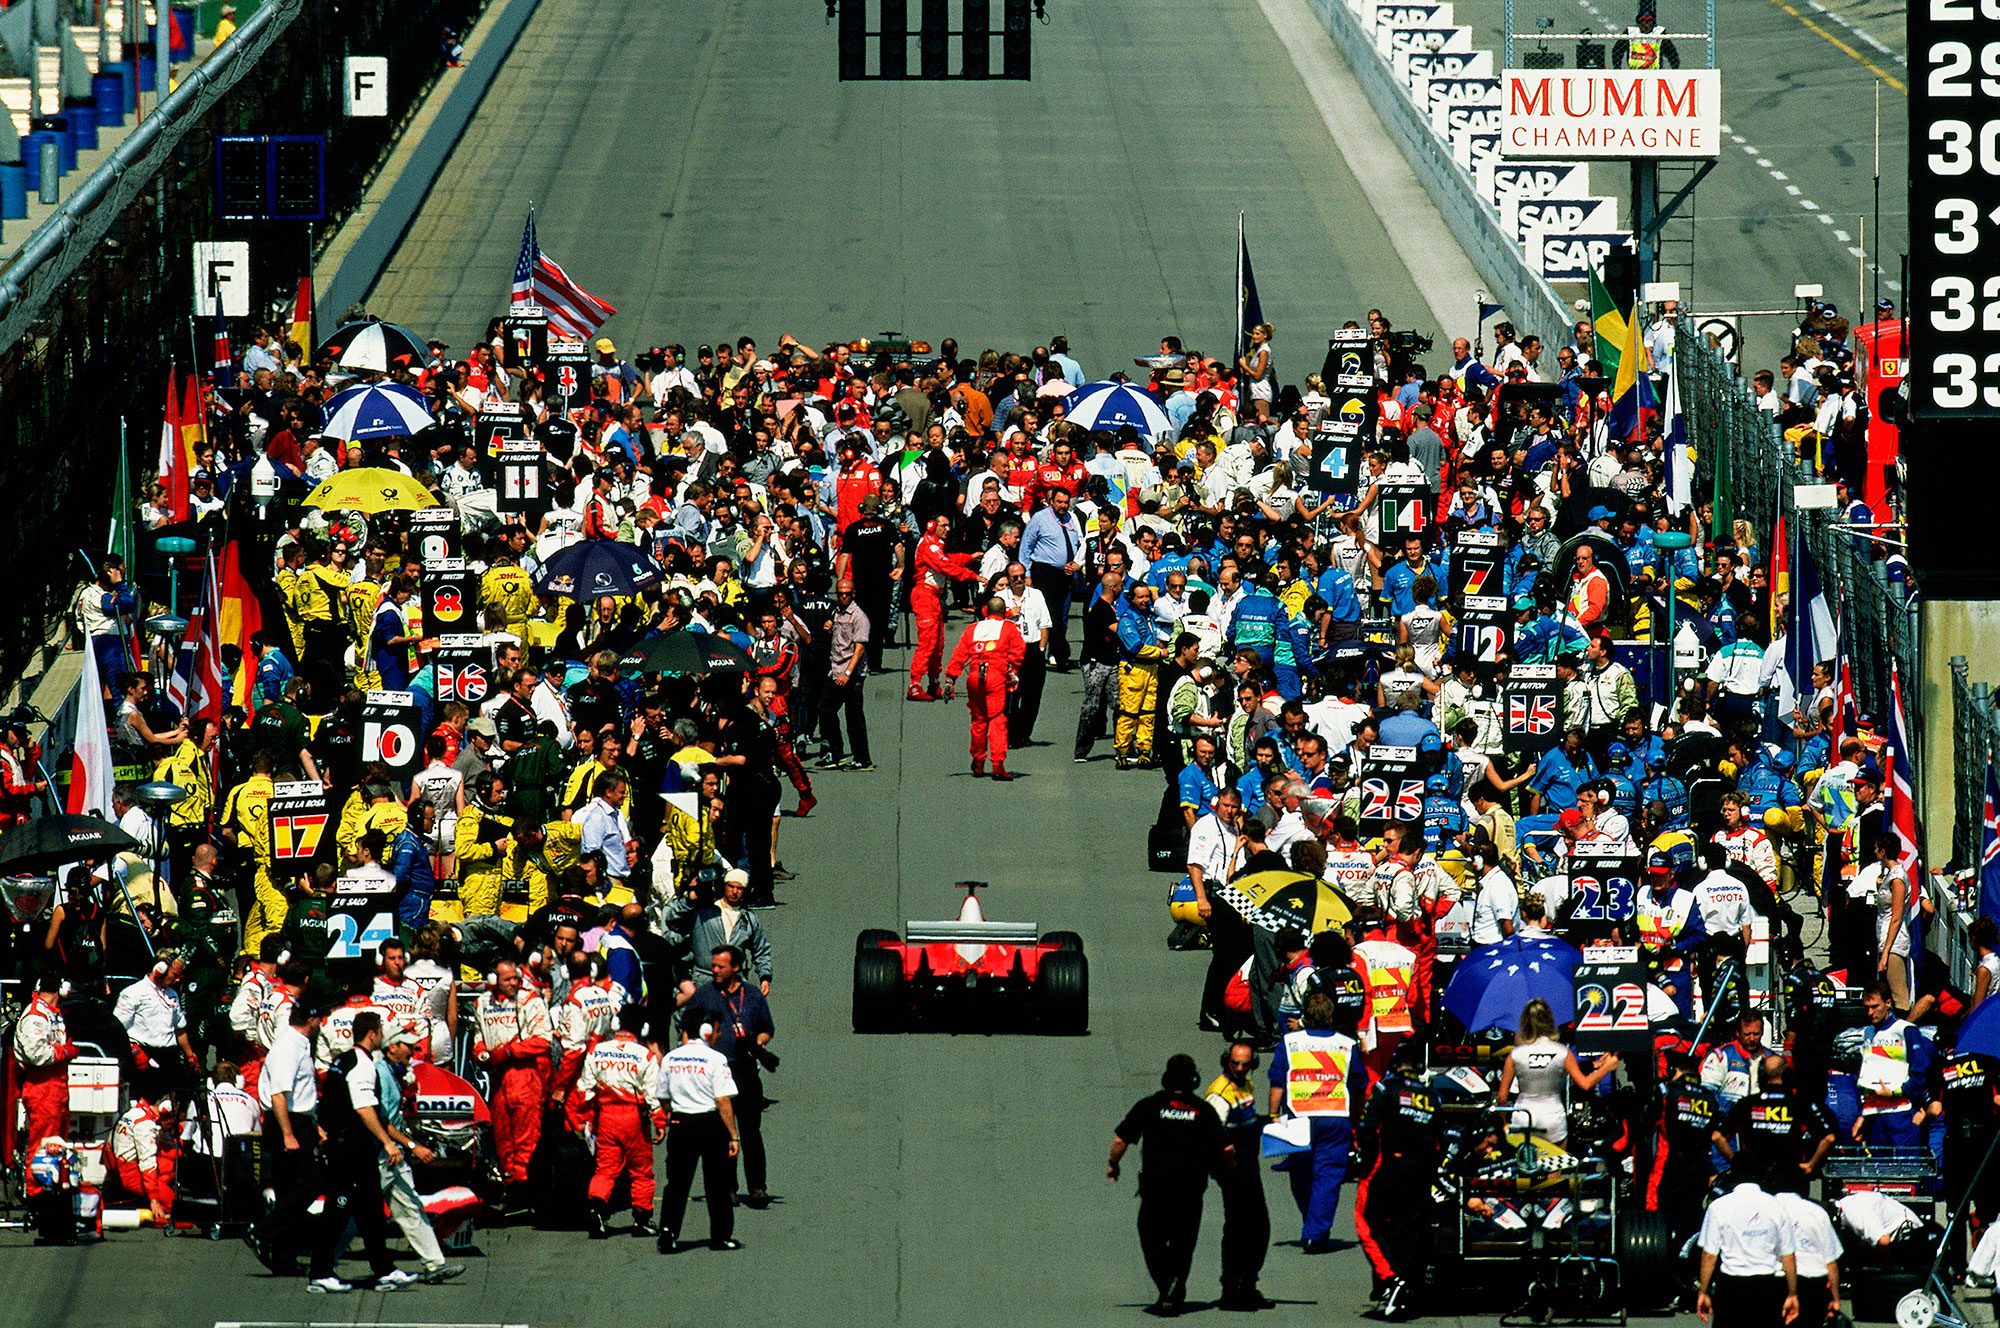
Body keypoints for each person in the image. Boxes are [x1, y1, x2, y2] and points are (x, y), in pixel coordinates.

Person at [1110, 1053, 1232, 1318]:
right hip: (1190, 1189)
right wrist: (1228, 1169)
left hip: (1156, 1188)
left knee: (1150, 1237)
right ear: (1194, 1080)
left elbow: (1121, 1140)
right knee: (1183, 1241)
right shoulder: (1204, 1110)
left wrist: (1113, 1164)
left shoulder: (1150, 1105)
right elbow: (1226, 1148)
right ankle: (1174, 1286)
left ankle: (1166, 1284)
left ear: (1166, 1078)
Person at [310, 1012, 416, 1292]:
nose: (382, 1036)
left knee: (371, 1210)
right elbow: (363, 1107)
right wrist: (388, 1142)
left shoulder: (341, 1061)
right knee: (338, 1207)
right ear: (372, 1034)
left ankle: (384, 1270)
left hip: (350, 1145)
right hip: (349, 1148)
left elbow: (331, 1101)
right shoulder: (362, 1064)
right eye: (380, 1031)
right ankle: (320, 1272)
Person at [1267, 991, 1367, 1254]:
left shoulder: (1290, 1042)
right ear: (1331, 1018)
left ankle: (1312, 1225)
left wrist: (1273, 1115)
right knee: (1328, 1176)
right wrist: (1355, 1117)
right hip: (1335, 1116)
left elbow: (1277, 1082)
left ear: (1305, 1018)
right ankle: (1316, 1230)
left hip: (1298, 1115)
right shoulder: (1348, 1044)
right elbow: (1358, 1087)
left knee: (1300, 1174)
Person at [364, 1027, 464, 1283]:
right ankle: (323, 1265)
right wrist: (411, 1146)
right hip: (379, 1154)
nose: (413, 1049)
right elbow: (381, 1120)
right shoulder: (381, 1075)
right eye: (407, 1045)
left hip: (391, 1155)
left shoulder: (392, 1073)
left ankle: (434, 1265)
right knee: (354, 1213)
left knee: (410, 1207)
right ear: (391, 1047)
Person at [1354, 1037, 1443, 1318]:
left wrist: (1364, 1162)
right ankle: (1406, 1287)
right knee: (1407, 1231)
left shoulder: (1384, 1088)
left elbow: (1367, 1129)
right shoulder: (1433, 1097)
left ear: (1396, 1065)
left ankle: (1393, 1280)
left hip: (1388, 1170)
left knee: (1369, 1225)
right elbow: (1439, 1142)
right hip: (1421, 1173)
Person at [681, 945, 776, 1208]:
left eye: (721, 967)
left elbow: (767, 1028)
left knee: (751, 1132)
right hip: (716, 1072)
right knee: (723, 1132)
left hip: (744, 1071)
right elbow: (687, 1029)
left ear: (736, 967)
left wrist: (760, 1041)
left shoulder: (753, 996)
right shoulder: (704, 995)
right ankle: (728, 1188)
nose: (715, 971)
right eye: (713, 966)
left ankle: (757, 1187)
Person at [653, 1018, 742, 1253]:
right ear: (706, 1032)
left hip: (681, 1122)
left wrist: (673, 1111)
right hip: (710, 1123)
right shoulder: (716, 1059)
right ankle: (721, 1236)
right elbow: (722, 1099)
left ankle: (668, 1231)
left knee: (677, 1182)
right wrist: (733, 1135)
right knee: (717, 1183)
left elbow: (662, 1095)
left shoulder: (671, 1058)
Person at [247, 1000, 322, 1275]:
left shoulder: (299, 1044)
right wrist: (289, 1134)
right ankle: (262, 1230)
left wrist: (314, 1126)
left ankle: (283, 1257)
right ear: (312, 1020)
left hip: (299, 1120)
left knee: (288, 1190)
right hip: (286, 1124)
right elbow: (279, 1093)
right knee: (310, 1184)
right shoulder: (288, 1047)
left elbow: (301, 1093)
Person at [472, 959, 553, 1204]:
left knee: (526, 1136)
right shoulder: (482, 1003)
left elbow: (543, 1040)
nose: (512, 984)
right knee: (502, 1135)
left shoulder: (530, 1000)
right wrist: (480, 1052)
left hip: (524, 1074)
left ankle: (525, 1187)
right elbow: (477, 1035)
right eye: (506, 980)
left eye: (515, 979)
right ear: (495, 980)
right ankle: (509, 1185)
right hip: (497, 1077)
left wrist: (509, 1051)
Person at [578, 1005, 660, 1239]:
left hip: (606, 1118)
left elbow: (585, 1089)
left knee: (605, 1169)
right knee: (641, 1171)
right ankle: (642, 1220)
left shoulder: (598, 1051)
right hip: (634, 1119)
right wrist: (660, 1122)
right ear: (642, 1029)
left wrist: (587, 1119)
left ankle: (597, 1211)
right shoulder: (645, 1055)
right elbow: (653, 1094)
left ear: (616, 1024)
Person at [1201, 1041, 1272, 1312]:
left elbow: (1248, 1121)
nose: (1240, 1068)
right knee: (1239, 1228)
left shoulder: (1245, 1084)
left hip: (1248, 1166)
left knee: (1258, 1227)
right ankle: (1232, 1289)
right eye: (1235, 1063)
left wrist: (1269, 1122)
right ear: (1226, 1062)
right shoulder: (1219, 1094)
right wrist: (1226, 1169)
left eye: (1245, 1064)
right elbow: (1211, 1134)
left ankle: (1248, 1283)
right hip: (1233, 1170)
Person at [1496, 997, 1619, 1145]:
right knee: (1555, 1166)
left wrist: (1503, 1122)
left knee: (1526, 1166)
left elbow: (1502, 1097)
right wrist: (1606, 1067)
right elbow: (1585, 1084)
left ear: (1524, 1022)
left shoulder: (1515, 1054)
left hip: (1523, 1117)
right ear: (1549, 1021)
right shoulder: (1562, 1052)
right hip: (1552, 1118)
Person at [1695, 1160, 1801, 1328]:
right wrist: (1792, 1293)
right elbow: (1788, 1255)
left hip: (1732, 1286)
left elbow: (1709, 1256)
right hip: (1767, 1285)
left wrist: (1703, 1291)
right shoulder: (1776, 1206)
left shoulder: (1718, 1207)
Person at [943, 595, 1027, 780]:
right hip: (996, 676)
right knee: (997, 720)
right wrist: (1012, 670)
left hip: (974, 677)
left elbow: (959, 655)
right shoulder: (1009, 627)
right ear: (1003, 611)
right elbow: (1019, 650)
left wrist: (950, 679)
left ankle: (978, 762)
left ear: (986, 611)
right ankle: (997, 764)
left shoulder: (973, 628)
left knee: (978, 720)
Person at [12, 974, 77, 1195]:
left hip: (57, 1087)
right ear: (61, 988)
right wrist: (65, 1051)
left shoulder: (51, 1014)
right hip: (42, 1086)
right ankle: (36, 1193)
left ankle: (52, 1192)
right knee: (42, 1144)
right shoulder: (35, 1017)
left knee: (57, 1144)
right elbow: (37, 1055)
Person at [113, 949, 198, 1105]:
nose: (178, 980)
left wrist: (190, 1055)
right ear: (160, 969)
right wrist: (134, 1051)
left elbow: (180, 1028)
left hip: (169, 1057)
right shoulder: (133, 993)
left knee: (172, 1105)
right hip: (143, 1057)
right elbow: (117, 1029)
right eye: (175, 975)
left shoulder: (173, 994)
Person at [819, 579, 873, 772]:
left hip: (852, 674)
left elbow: (859, 649)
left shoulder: (859, 617)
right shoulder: (837, 612)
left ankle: (862, 759)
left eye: (847, 594)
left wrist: (848, 674)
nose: (843, 597)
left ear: (853, 594)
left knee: (854, 717)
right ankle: (836, 753)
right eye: (840, 594)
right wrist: (828, 627)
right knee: (825, 710)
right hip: (836, 669)